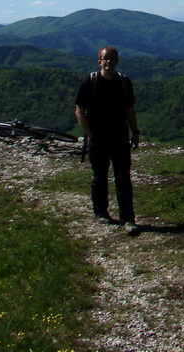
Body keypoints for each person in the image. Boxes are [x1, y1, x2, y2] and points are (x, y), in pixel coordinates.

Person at [75, 45, 141, 234]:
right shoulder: (90, 81)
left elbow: (129, 109)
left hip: (119, 136)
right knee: (99, 176)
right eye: (105, 59)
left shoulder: (124, 82)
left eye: (111, 58)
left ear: (117, 61)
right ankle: (101, 212)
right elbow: (79, 110)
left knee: (123, 178)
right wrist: (90, 135)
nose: (108, 62)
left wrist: (135, 132)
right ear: (99, 62)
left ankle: (128, 219)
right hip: (98, 137)